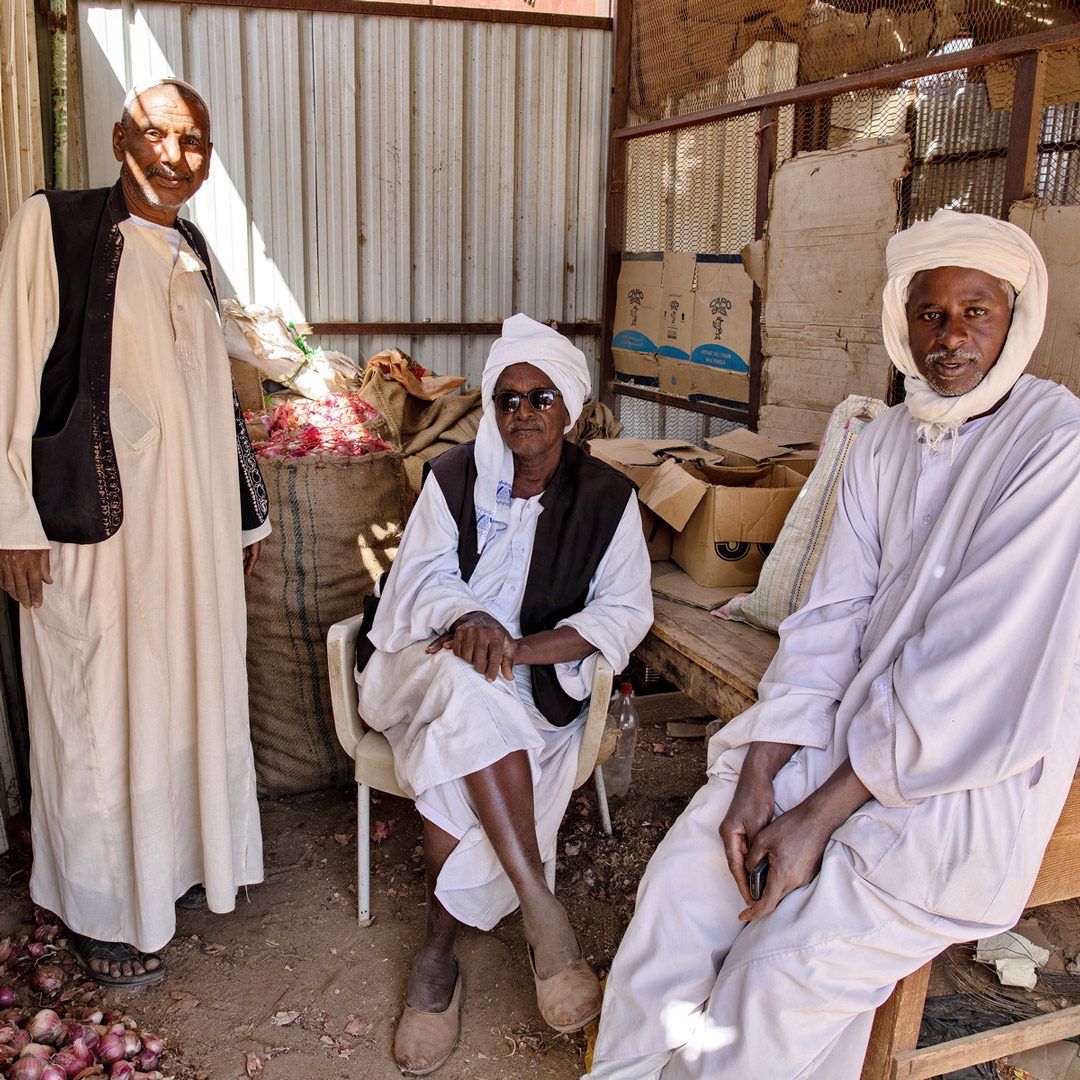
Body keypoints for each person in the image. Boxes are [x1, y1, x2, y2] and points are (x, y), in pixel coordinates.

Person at [586, 209, 1080, 1079]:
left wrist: (815, 817)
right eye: (931, 314)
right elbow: (830, 619)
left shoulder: (1055, 445)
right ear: (904, 322)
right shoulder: (886, 439)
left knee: (770, 989)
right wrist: (759, 776)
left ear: (1017, 319)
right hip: (841, 744)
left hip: (954, 793)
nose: (952, 337)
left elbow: (970, 674)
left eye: (977, 311)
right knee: (683, 890)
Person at [0, 79, 269, 987]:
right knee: (94, 712)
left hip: (188, 543)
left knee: (183, 696)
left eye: (194, 142)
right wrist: (12, 523)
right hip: (92, 536)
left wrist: (243, 513)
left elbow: (217, 401)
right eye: (157, 136)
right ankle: (100, 908)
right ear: (121, 137)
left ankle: (173, 871)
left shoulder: (191, 247)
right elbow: (11, 377)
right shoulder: (57, 225)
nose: (175, 156)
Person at [355, 313, 653, 1075]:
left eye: (541, 398)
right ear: (493, 408)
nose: (523, 412)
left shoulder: (608, 497)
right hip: (426, 666)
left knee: (470, 730)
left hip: (537, 683)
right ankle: (541, 911)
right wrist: (470, 618)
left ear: (571, 409)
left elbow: (622, 612)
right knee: (463, 683)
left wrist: (518, 648)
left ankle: (436, 958)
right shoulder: (454, 476)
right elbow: (419, 579)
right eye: (509, 399)